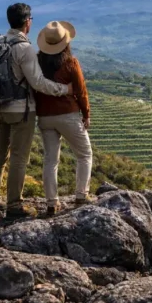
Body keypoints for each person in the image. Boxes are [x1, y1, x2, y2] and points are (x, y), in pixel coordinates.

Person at [0, 3, 73, 219]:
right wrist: (64, 89)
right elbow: (38, 82)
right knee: (18, 157)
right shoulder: (23, 48)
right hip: (20, 110)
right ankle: (14, 206)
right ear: (27, 22)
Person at [35, 21, 94, 216]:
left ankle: (52, 203)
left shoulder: (36, 62)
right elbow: (81, 91)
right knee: (84, 154)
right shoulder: (70, 62)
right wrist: (86, 114)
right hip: (68, 114)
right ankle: (80, 195)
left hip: (44, 116)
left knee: (51, 160)